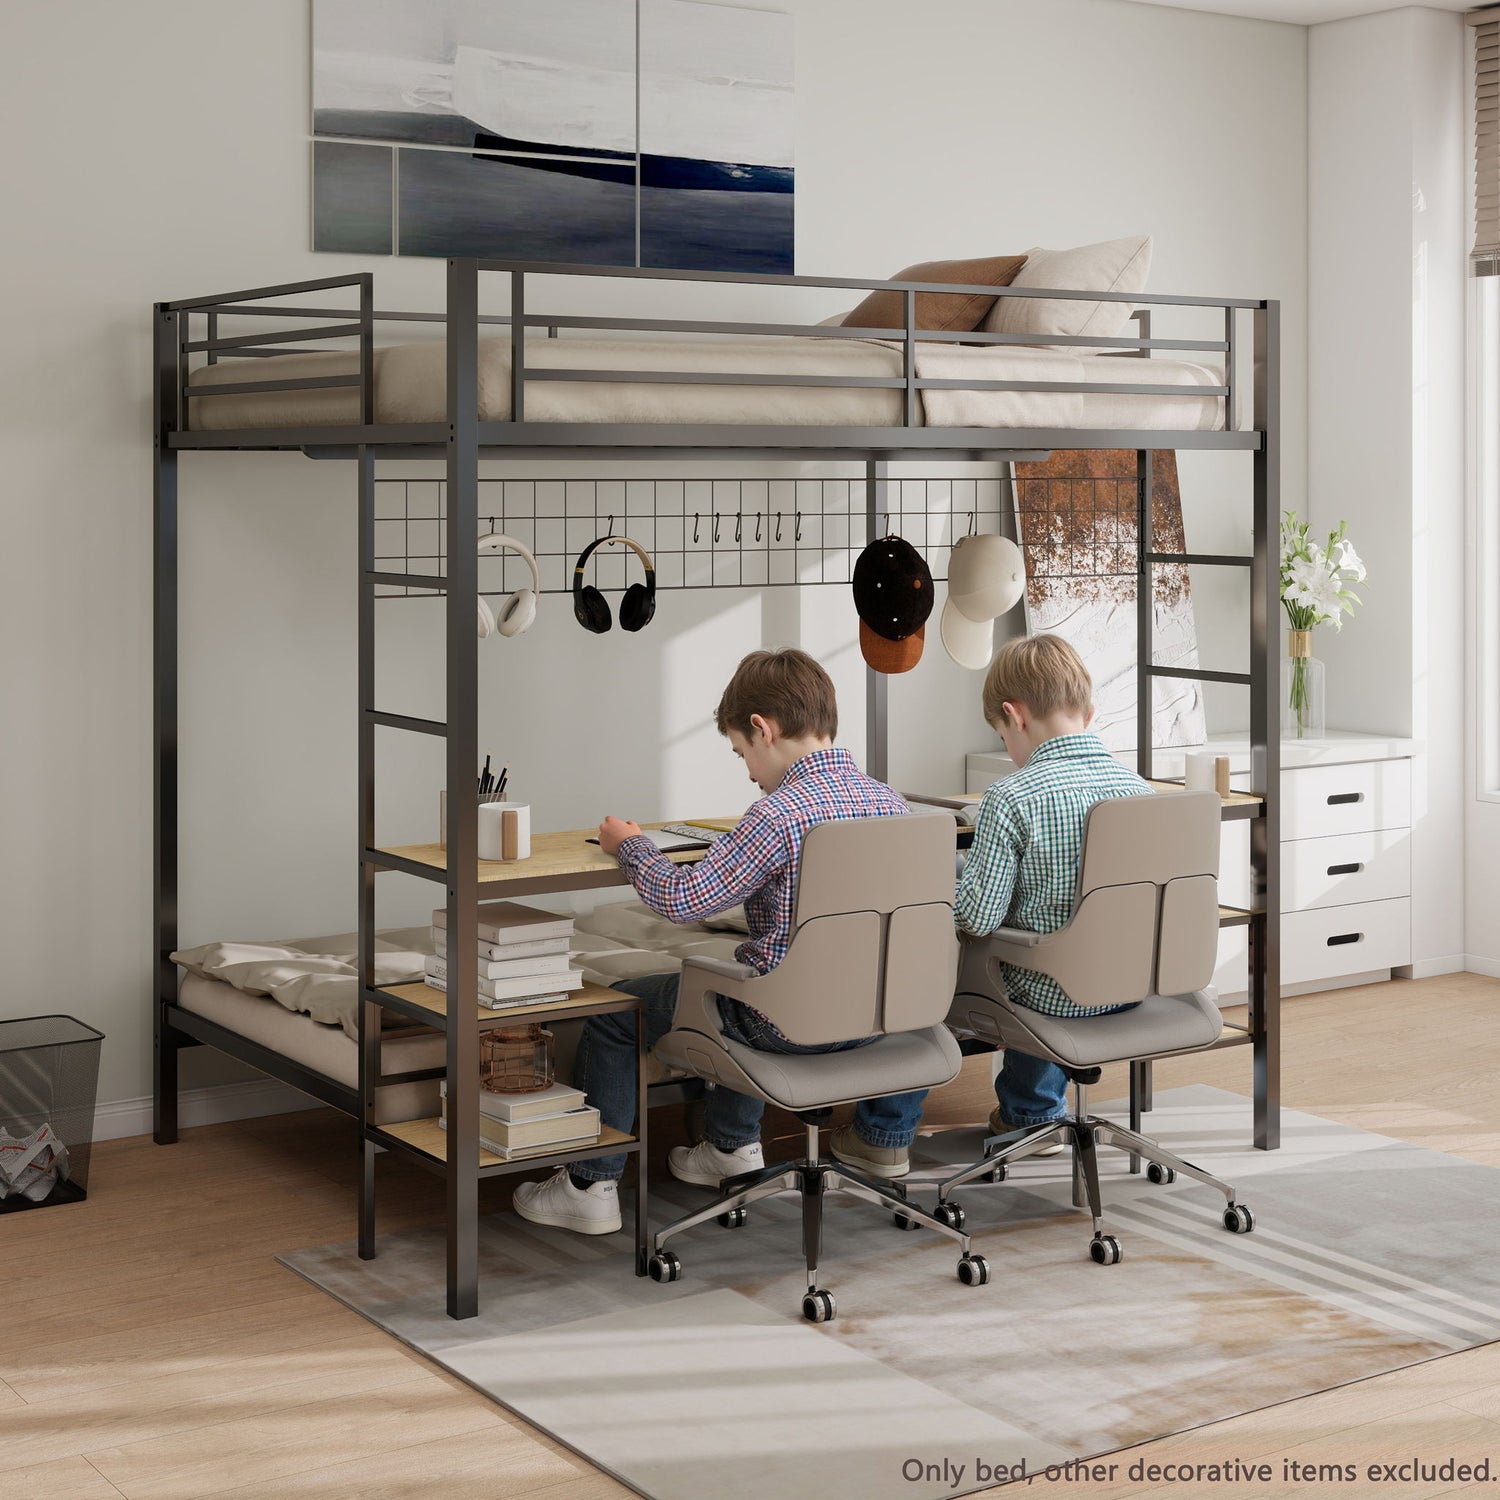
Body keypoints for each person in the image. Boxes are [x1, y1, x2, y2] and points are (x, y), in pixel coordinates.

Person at [513, 648, 922, 1236]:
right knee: (746, 972)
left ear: (762, 729)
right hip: (876, 1018)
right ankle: (729, 1146)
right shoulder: (892, 805)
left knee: (619, 1010)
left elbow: (683, 901)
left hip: (784, 1024)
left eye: (740, 752)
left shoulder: (776, 815)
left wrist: (631, 846)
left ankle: (588, 1186)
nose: (748, 772)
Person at [955, 634, 1153, 1143]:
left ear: (1013, 716)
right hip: (1131, 985)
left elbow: (976, 918)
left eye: (1003, 735)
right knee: (1052, 932)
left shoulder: (1011, 796)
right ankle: (1031, 1107)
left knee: (1005, 954)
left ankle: (1029, 1114)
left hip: (1054, 997)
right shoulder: (1140, 791)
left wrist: (948, 883)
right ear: (1088, 712)